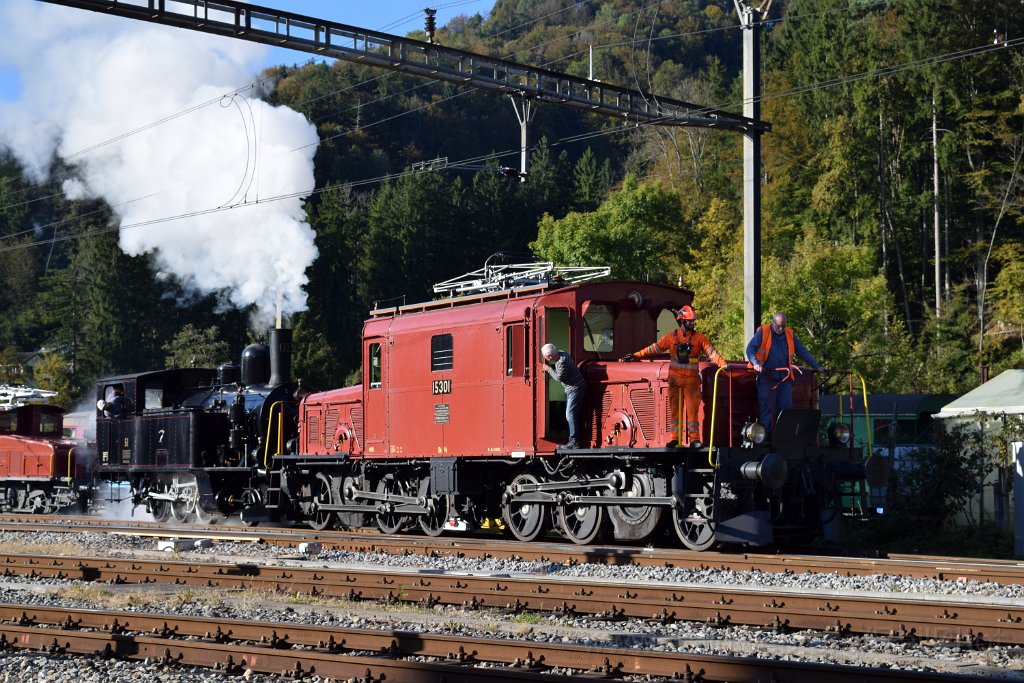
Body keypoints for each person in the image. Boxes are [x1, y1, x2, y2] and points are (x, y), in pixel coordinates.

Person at [621, 306, 727, 448]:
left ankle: (694, 440)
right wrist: (636, 355)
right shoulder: (671, 337)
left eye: (693, 321)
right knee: (675, 412)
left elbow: (712, 353)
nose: (692, 323)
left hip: (691, 381)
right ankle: (675, 439)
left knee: (692, 412)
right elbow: (654, 348)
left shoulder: (700, 338)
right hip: (675, 380)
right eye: (689, 321)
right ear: (682, 321)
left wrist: (723, 364)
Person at [745, 311, 822, 435]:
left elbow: (802, 351)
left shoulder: (789, 334)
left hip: (784, 378)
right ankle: (766, 438)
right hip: (766, 377)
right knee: (768, 409)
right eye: (779, 326)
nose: (781, 329)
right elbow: (750, 349)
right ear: (773, 322)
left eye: (783, 326)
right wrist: (755, 363)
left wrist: (817, 366)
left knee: (786, 408)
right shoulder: (763, 331)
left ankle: (783, 438)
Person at [541, 343, 587, 449]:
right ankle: (571, 439)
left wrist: (548, 369)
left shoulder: (561, 362)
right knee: (571, 414)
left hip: (574, 389)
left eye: (545, 357)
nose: (545, 359)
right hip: (575, 387)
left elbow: (559, 378)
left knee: (570, 414)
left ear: (550, 356)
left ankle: (574, 442)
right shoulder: (561, 353)